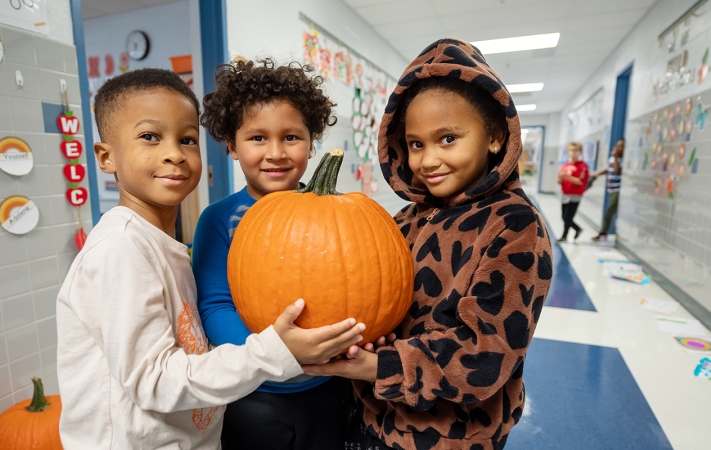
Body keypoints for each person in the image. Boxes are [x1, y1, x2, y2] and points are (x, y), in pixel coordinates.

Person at [55, 68, 365, 449]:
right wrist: (277, 355)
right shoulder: (120, 250)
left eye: (187, 140)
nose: (173, 154)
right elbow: (158, 374)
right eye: (150, 137)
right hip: (241, 395)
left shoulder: (163, 248)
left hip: (225, 413)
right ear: (105, 157)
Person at [304, 39, 553, 449]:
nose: (428, 160)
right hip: (376, 420)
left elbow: (483, 356)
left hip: (451, 437)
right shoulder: (404, 220)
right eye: (417, 144)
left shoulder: (514, 226)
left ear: (493, 136)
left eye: (448, 139)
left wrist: (376, 365)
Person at [192, 58, 351, 450]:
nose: (276, 152)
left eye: (291, 137)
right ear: (232, 145)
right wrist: (274, 354)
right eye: (258, 138)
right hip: (253, 394)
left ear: (312, 142)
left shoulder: (338, 215)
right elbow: (214, 305)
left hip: (329, 387)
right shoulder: (218, 219)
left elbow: (352, 283)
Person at [592, 138, 624, 241]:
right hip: (611, 189)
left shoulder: (621, 160)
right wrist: (598, 174)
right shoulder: (611, 159)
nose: (617, 148)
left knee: (609, 211)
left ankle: (603, 232)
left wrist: (615, 157)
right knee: (611, 211)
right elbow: (608, 170)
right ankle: (605, 231)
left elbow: (616, 172)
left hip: (617, 190)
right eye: (617, 145)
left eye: (621, 146)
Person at [557, 142, 590, 242]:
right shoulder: (565, 165)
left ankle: (564, 236)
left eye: (576, 150)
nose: (573, 153)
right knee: (563, 216)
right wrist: (561, 178)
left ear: (580, 152)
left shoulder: (583, 166)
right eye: (571, 150)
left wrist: (566, 176)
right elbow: (559, 181)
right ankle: (578, 229)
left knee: (568, 217)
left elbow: (580, 182)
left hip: (575, 195)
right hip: (565, 194)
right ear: (568, 153)